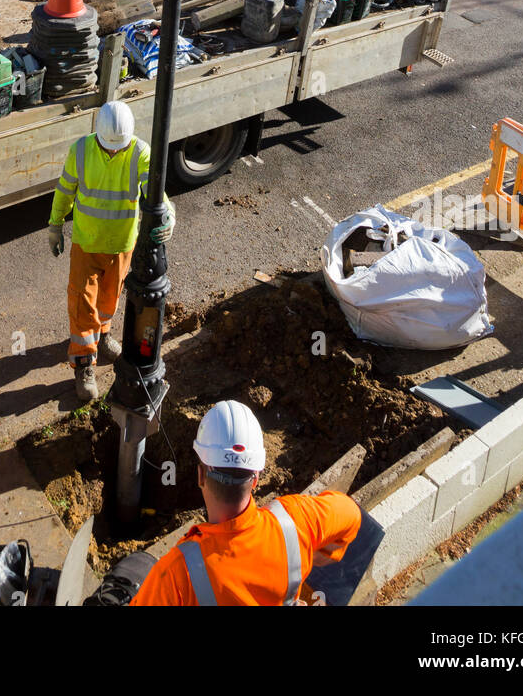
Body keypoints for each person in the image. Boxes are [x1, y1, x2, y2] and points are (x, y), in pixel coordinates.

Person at [128, 400, 369, 606]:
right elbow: (351, 514)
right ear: (256, 478)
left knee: (132, 570)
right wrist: (318, 552)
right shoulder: (295, 522)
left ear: (200, 475)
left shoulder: (174, 575)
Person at [48, 100, 173, 402]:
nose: (115, 151)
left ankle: (103, 334)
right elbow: (65, 190)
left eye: (119, 146)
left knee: (109, 300)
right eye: (109, 146)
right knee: (83, 304)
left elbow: (153, 190)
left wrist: (167, 213)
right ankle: (83, 364)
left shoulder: (140, 152)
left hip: (120, 245)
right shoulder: (80, 150)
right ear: (98, 136)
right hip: (87, 243)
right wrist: (55, 224)